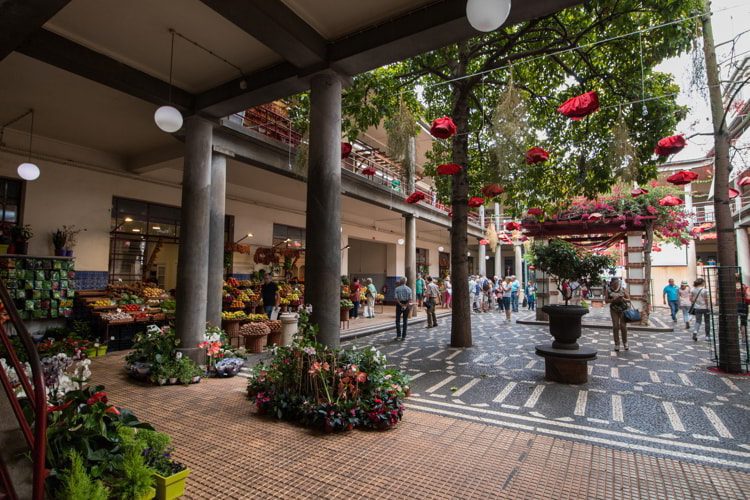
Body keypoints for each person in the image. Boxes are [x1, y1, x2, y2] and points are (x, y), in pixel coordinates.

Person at [605, 277, 630, 351]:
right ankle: (617, 344)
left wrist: (623, 299)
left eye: (618, 282)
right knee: (615, 326)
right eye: (615, 283)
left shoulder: (622, 289)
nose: (617, 284)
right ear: (612, 283)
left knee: (623, 326)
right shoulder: (608, 290)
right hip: (614, 309)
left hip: (623, 309)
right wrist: (613, 300)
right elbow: (606, 300)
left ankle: (625, 343)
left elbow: (629, 299)